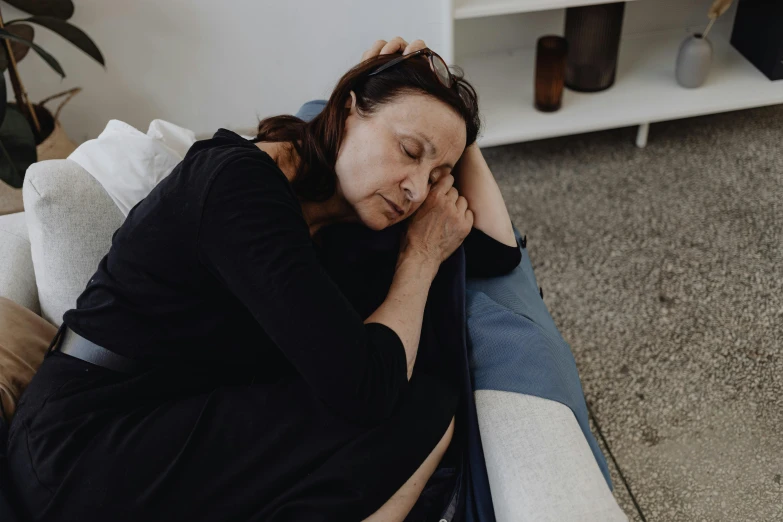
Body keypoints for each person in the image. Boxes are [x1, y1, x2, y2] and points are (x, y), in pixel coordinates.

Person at [7, 38, 520, 521]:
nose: (415, 190)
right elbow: (368, 391)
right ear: (346, 111)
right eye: (409, 150)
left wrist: (450, 124)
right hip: (83, 446)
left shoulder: (341, 208)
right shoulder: (241, 187)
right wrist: (420, 257)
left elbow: (498, 253)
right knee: (413, 411)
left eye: (435, 177)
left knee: (426, 406)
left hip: (173, 415)